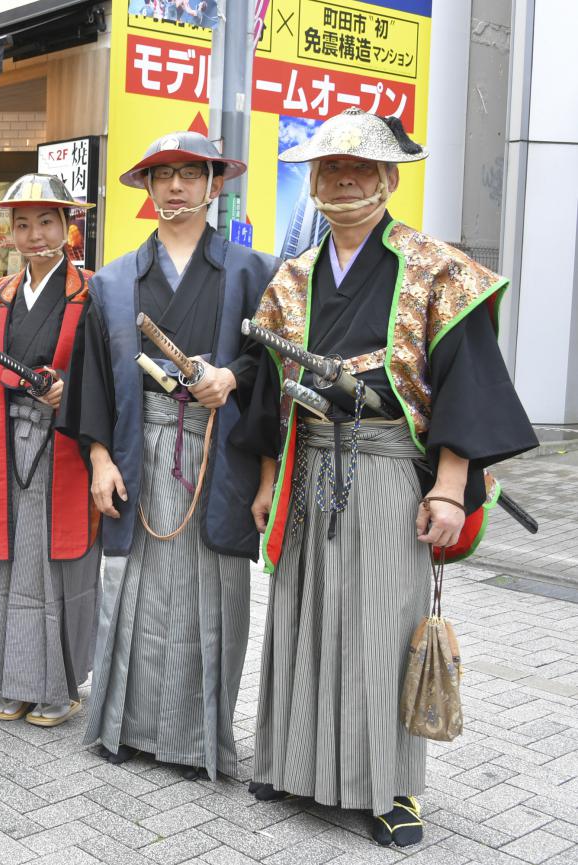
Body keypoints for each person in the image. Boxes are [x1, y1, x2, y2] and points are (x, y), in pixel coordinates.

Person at [230, 109, 537, 847]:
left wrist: (450, 486)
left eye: (360, 168)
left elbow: (468, 380)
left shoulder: (437, 266)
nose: (343, 181)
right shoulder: (293, 278)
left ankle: (390, 785)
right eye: (330, 168)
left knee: (381, 625)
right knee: (303, 614)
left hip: (391, 466)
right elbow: (272, 387)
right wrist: (270, 475)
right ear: (314, 180)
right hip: (308, 462)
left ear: (389, 179)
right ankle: (294, 763)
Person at [59, 132, 279, 780]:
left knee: (214, 599)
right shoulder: (116, 280)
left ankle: (198, 742)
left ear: (214, 186)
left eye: (191, 174)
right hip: (140, 450)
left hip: (220, 454)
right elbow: (94, 378)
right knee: (134, 593)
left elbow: (266, 366)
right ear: (148, 190)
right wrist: (100, 458)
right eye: (163, 176)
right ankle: (123, 729)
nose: (176, 186)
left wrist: (233, 378)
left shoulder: (251, 272)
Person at [0, 174, 100, 727]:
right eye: (23, 223)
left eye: (47, 221)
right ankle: (10, 678)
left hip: (63, 440)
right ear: (10, 232)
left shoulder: (93, 293)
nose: (35, 234)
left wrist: (72, 388)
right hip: (5, 438)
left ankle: (54, 685)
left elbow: (107, 375)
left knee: (52, 562)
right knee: (11, 558)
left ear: (68, 227)